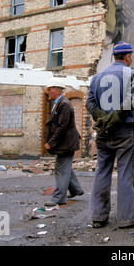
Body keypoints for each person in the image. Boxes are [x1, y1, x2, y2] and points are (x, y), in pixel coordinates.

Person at [86, 41, 134, 229]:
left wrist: (102, 118)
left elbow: (90, 103)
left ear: (114, 57)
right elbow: (130, 101)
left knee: (102, 170)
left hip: (103, 131)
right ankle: (127, 218)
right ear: (127, 57)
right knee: (125, 172)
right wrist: (115, 116)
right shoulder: (132, 74)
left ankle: (98, 216)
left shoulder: (97, 77)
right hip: (124, 130)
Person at [44, 77, 84, 206]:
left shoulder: (64, 104)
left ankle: (58, 198)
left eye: (49, 89)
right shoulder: (59, 103)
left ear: (56, 90)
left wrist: (51, 142)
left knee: (61, 169)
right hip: (65, 143)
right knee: (64, 167)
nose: (47, 92)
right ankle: (76, 189)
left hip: (66, 143)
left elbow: (62, 127)